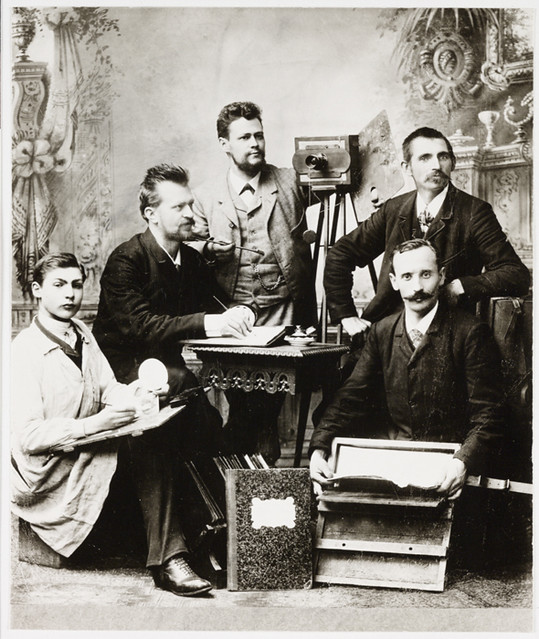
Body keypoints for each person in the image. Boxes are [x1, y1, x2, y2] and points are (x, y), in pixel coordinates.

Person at [11, 253, 213, 597]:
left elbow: (109, 390)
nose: (70, 295)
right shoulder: (23, 351)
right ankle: (169, 559)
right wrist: (97, 424)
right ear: (37, 290)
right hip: (50, 477)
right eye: (58, 286)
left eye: (76, 285)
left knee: (163, 418)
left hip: (84, 455)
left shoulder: (81, 334)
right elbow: (30, 438)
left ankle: (195, 544)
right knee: (146, 445)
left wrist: (142, 394)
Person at [309, 239, 506, 501]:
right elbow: (349, 398)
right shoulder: (383, 331)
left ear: (442, 276)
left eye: (426, 274)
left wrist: (462, 463)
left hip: (450, 468)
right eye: (407, 276)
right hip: (396, 462)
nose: (417, 287)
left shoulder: (469, 332)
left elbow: (488, 415)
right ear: (393, 281)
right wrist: (319, 448)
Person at [92, 163, 256, 460]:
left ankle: (221, 484)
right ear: (150, 214)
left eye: (190, 204)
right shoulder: (126, 260)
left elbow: (220, 304)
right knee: (196, 407)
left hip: (168, 370)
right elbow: (143, 327)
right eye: (179, 207)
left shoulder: (190, 260)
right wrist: (217, 322)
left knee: (228, 411)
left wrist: (243, 312)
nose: (190, 214)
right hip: (119, 372)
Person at [191, 101, 317, 463]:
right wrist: (207, 247)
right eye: (244, 137)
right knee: (247, 404)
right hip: (232, 311)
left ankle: (245, 476)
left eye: (259, 135)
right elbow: (189, 244)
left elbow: (336, 188)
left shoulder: (289, 180)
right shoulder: (203, 195)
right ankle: (251, 477)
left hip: (284, 307)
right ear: (224, 144)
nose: (255, 144)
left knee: (264, 402)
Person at [324, 126, 530, 347]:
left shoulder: (474, 212)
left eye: (443, 157)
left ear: (453, 163)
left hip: (445, 333)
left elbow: (515, 275)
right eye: (424, 158)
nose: (436, 165)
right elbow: (339, 255)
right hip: (387, 331)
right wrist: (346, 315)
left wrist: (461, 286)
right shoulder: (394, 209)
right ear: (407, 167)